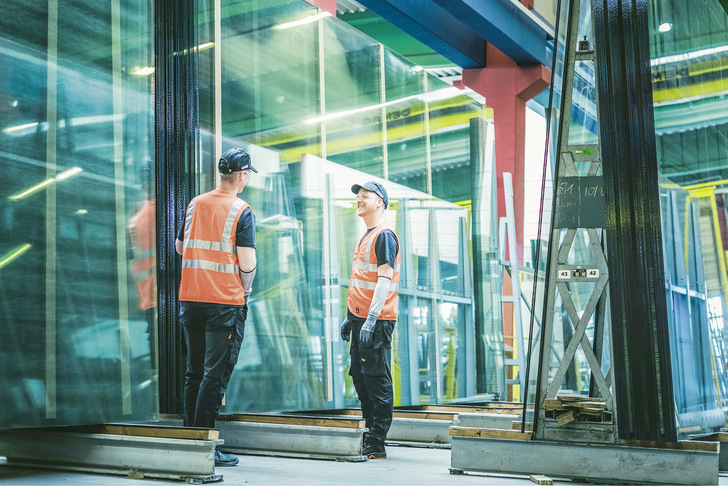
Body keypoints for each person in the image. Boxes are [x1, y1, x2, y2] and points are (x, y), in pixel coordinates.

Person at [175, 147, 258, 467]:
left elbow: (180, 247)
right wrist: (245, 291)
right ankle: (205, 444)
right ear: (242, 175)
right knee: (214, 374)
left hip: (191, 299)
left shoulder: (196, 203)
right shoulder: (241, 210)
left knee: (194, 372)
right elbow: (247, 262)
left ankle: (190, 439)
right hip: (224, 302)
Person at [340, 181, 400, 460]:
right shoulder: (367, 235)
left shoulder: (385, 235)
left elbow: (383, 280)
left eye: (366, 196)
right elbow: (360, 281)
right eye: (358, 196)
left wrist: (371, 319)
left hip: (375, 321)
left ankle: (377, 442)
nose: (359, 200)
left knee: (377, 380)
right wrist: (349, 317)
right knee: (361, 378)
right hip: (360, 319)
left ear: (380, 202)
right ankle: (369, 433)